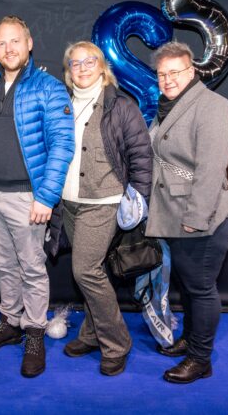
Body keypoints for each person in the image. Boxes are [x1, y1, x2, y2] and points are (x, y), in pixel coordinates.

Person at [0, 16, 74, 378]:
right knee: (4, 265)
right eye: (1, 43)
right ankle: (10, 322)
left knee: (32, 268)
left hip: (28, 197)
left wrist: (46, 196)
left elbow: (63, 144)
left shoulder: (49, 87)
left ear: (29, 43)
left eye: (15, 41)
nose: (8, 48)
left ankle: (34, 333)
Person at [146, 41, 228, 384]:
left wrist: (196, 219)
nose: (167, 79)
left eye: (175, 72)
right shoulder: (168, 107)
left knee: (200, 287)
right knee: (187, 285)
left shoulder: (212, 105)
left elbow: (211, 168)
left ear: (192, 71)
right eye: (162, 74)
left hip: (205, 216)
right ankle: (190, 338)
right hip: (175, 213)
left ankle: (201, 360)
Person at [60, 41, 152, 376]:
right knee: (92, 270)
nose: (82, 68)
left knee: (85, 271)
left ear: (102, 66)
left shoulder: (120, 105)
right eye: (75, 63)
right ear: (69, 71)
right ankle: (91, 334)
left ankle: (116, 343)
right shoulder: (63, 105)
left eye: (89, 61)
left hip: (104, 202)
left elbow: (141, 154)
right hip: (69, 203)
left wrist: (139, 198)